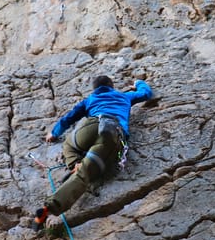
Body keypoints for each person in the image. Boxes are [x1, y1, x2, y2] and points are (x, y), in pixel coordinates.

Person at [31, 75, 154, 229]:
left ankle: (75, 164)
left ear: (95, 88)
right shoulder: (124, 96)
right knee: (86, 173)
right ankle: (50, 207)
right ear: (112, 86)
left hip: (91, 125)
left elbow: (69, 117)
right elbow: (147, 93)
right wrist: (138, 83)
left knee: (69, 145)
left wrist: (55, 133)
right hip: (112, 130)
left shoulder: (90, 99)